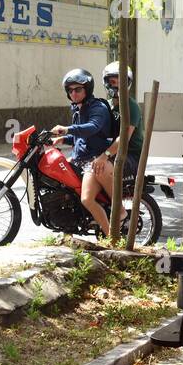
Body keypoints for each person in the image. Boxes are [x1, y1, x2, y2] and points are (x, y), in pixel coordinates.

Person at [49, 67, 115, 236]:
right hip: (81, 159)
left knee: (87, 199)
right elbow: (82, 138)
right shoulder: (79, 109)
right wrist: (63, 140)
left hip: (93, 160)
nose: (74, 93)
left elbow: (93, 128)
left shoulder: (97, 107)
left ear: (87, 89)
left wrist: (66, 130)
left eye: (78, 89)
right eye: (70, 90)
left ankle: (111, 237)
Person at [91, 61, 142, 231]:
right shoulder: (108, 105)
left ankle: (120, 211)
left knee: (102, 167)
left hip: (130, 157)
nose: (117, 85)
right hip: (114, 154)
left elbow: (124, 138)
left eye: (121, 81)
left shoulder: (130, 106)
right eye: (113, 81)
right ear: (106, 83)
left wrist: (104, 155)